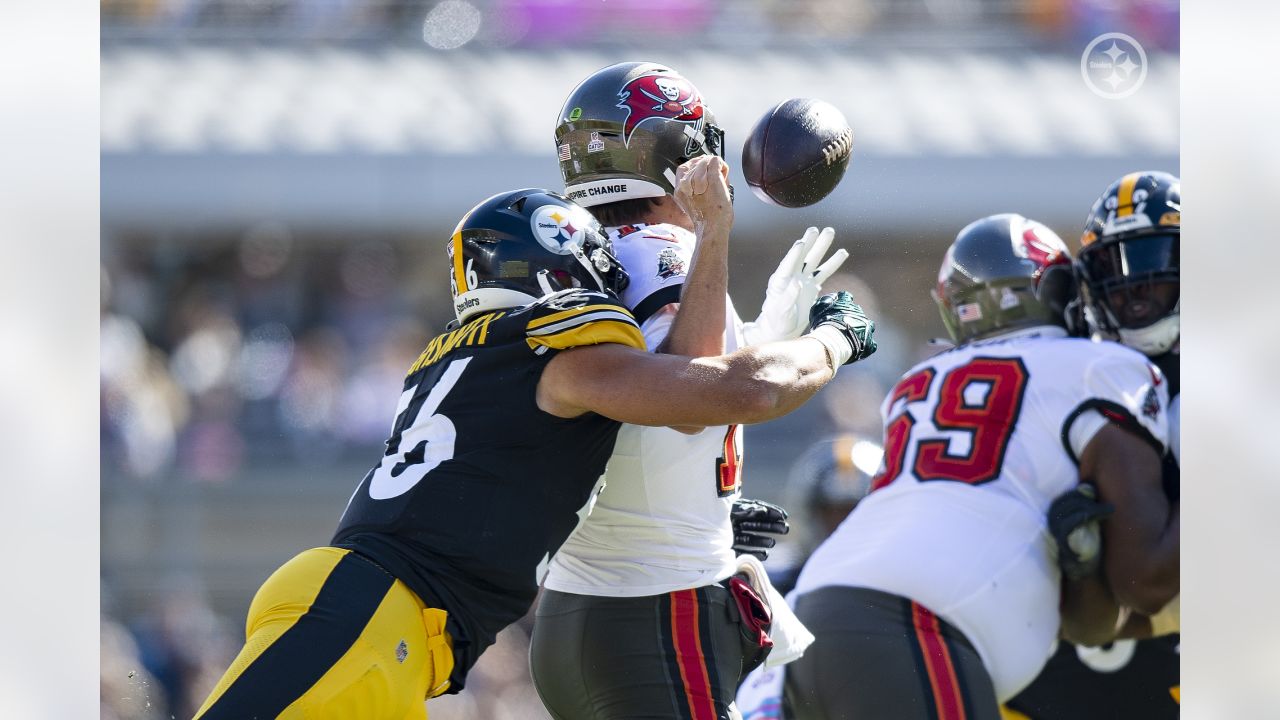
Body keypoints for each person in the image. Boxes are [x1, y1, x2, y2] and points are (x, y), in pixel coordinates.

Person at [190, 186, 876, 720]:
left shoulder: (482, 359)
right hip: (373, 619)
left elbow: (530, 482)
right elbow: (725, 390)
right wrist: (830, 342)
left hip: (371, 614)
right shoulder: (558, 350)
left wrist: (704, 508)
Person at [529, 61, 866, 720]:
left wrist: (766, 329)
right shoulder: (662, 245)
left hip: (572, 612)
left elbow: (649, 392)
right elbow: (691, 397)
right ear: (680, 151)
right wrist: (822, 340)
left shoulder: (573, 255)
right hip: (655, 611)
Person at [783, 213, 1178, 720]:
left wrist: (1079, 568)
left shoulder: (916, 382)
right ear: (1060, 291)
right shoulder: (1097, 368)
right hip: (916, 627)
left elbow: (1091, 624)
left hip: (816, 612)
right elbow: (1144, 579)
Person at [1005, 171, 1181, 719]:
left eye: (1152, 259)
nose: (1132, 286)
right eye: (1113, 267)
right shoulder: (1083, 372)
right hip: (1066, 660)